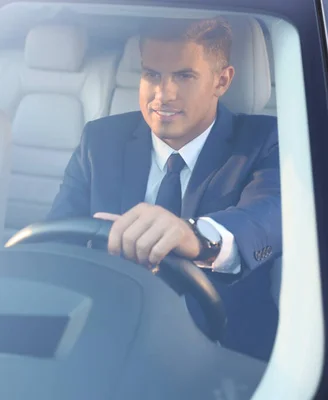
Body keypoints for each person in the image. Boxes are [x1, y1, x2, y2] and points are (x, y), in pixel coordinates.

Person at [47, 17, 280, 361]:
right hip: (102, 341)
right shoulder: (100, 140)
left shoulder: (267, 141)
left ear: (222, 80)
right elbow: (55, 245)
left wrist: (196, 238)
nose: (163, 94)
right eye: (151, 74)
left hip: (220, 355)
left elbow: (266, 219)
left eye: (184, 76)